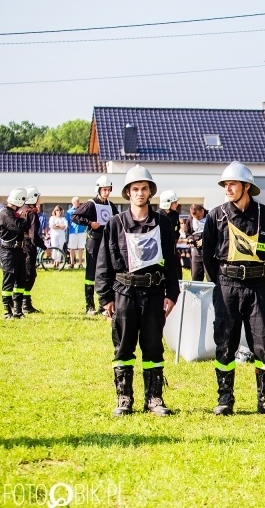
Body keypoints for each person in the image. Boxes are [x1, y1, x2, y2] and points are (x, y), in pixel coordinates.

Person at [95, 165, 180, 417]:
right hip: (124, 293)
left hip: (154, 293)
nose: (140, 193)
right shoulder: (115, 223)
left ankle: (154, 398)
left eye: (144, 188)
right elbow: (104, 262)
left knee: (153, 346)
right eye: (135, 189)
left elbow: (172, 261)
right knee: (123, 347)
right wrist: (105, 297)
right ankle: (124, 398)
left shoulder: (163, 223)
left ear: (150, 192)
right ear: (128, 193)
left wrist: (171, 294)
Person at [203, 162, 265, 416]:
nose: (227, 189)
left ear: (246, 186)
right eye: (225, 185)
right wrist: (222, 281)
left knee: (263, 342)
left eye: (232, 184)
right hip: (227, 286)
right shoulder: (215, 216)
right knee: (225, 342)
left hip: (257, 287)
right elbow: (207, 256)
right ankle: (225, 398)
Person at [71, 176, 119, 315]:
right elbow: (75, 216)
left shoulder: (111, 205)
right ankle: (89, 306)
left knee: (106, 272)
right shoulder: (90, 204)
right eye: (104, 190)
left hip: (106, 242)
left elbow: (118, 219)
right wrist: (90, 223)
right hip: (94, 241)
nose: (107, 192)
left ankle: (104, 305)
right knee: (91, 273)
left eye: (109, 190)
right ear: (98, 190)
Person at [1, 188, 31, 319]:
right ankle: (7, 311)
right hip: (8, 252)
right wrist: (23, 218)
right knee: (9, 280)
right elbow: (20, 227)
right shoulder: (6, 213)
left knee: (21, 280)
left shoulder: (13, 213)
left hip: (19, 250)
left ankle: (18, 311)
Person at [20, 186, 47, 313]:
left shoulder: (21, 210)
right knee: (30, 275)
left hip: (20, 246)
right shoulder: (31, 213)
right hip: (28, 247)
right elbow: (33, 236)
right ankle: (25, 303)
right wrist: (45, 247)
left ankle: (22, 302)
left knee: (23, 274)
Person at [158, 190, 181, 271]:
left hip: (173, 249)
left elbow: (177, 230)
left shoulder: (175, 215)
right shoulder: (158, 216)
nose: (177, 204)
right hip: (161, 252)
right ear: (168, 203)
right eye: (175, 202)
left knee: (176, 272)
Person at [185, 204, 208, 281]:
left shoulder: (210, 216)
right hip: (196, 251)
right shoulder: (190, 219)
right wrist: (190, 240)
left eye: (198, 216)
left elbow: (216, 233)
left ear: (202, 211)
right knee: (195, 276)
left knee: (210, 277)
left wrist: (205, 240)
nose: (197, 218)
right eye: (194, 217)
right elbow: (188, 233)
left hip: (209, 251)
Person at [65, 197, 87, 269]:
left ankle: (80, 263)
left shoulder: (82, 210)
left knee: (81, 247)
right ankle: (72, 263)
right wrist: (71, 228)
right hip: (73, 231)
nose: (77, 203)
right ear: (73, 203)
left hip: (81, 231)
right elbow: (67, 222)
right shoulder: (69, 212)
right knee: (72, 248)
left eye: (78, 201)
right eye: (76, 202)